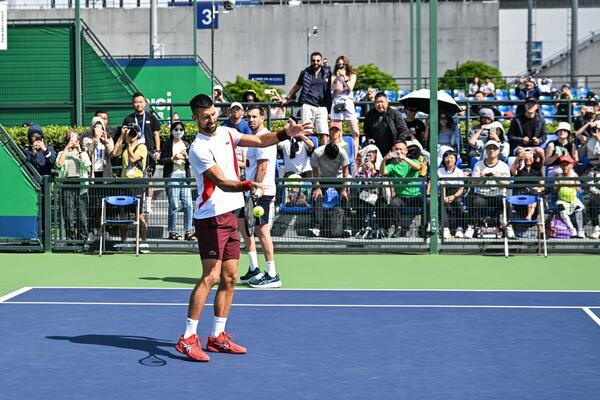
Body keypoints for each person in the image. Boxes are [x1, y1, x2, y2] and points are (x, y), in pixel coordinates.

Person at [175, 94, 310, 362]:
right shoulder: (198, 148)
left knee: (230, 277)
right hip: (211, 218)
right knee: (210, 277)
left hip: (231, 214)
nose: (211, 119)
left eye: (213, 114)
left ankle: (217, 336)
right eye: (205, 116)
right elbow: (223, 182)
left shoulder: (227, 132)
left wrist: (286, 133)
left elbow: (261, 140)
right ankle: (188, 338)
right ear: (195, 118)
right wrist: (247, 185)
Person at [237, 105, 282, 288]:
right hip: (250, 190)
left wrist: (256, 191)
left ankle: (272, 274)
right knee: (243, 225)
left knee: (262, 231)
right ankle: (254, 268)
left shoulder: (265, 138)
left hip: (261, 191)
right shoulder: (254, 139)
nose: (251, 120)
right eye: (248, 117)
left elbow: (263, 167)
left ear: (263, 117)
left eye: (254, 116)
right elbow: (251, 165)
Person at [121, 92, 162, 213]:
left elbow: (156, 134)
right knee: (134, 177)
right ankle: (135, 202)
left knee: (148, 178)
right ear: (132, 104)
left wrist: (157, 150)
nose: (138, 104)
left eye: (140, 101)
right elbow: (124, 136)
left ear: (145, 103)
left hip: (148, 152)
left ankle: (148, 203)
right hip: (133, 152)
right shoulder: (128, 119)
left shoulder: (151, 117)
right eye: (136, 102)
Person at [282, 51, 332, 145]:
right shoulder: (305, 72)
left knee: (324, 132)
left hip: (322, 106)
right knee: (307, 131)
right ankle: (307, 152)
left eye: (318, 60)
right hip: (308, 104)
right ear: (310, 61)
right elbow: (297, 86)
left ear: (321, 61)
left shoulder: (327, 72)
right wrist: (287, 98)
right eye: (313, 60)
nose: (315, 62)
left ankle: (324, 155)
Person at [111, 123, 149, 247]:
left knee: (139, 214)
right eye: (130, 133)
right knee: (123, 214)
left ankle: (142, 242)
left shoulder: (141, 147)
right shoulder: (125, 144)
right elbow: (115, 153)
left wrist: (128, 144)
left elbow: (133, 159)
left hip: (137, 183)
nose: (131, 135)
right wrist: (122, 136)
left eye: (133, 133)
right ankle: (123, 241)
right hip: (124, 182)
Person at [464, 140, 511, 239]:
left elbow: (507, 183)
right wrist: (481, 178)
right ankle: (471, 227)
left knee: (507, 203)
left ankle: (509, 227)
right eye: (489, 148)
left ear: (498, 151)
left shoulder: (504, 165)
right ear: (486, 150)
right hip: (482, 194)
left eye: (494, 148)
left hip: (498, 195)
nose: (492, 150)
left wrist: (497, 178)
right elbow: (473, 183)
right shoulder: (478, 164)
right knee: (475, 202)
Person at [379, 140, 422, 238]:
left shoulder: (413, 160)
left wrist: (405, 158)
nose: (399, 151)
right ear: (392, 151)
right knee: (393, 204)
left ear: (406, 150)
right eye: (396, 149)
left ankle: (424, 226)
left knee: (428, 202)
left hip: (416, 196)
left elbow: (417, 167)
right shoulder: (392, 165)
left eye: (401, 149)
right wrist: (384, 160)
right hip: (401, 197)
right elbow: (383, 172)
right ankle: (397, 228)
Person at [160, 122, 195, 241]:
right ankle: (172, 231)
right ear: (172, 131)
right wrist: (172, 158)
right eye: (176, 129)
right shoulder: (167, 144)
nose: (178, 131)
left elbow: (193, 162)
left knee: (188, 205)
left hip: (184, 177)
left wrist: (187, 157)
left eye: (181, 129)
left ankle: (188, 231)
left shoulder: (186, 144)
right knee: (174, 204)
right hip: (172, 176)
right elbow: (161, 160)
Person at [308, 143, 351, 238]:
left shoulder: (343, 153)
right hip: (322, 178)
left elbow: (345, 172)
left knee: (346, 197)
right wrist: (317, 188)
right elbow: (314, 171)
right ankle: (316, 227)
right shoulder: (317, 153)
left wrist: (344, 190)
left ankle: (347, 227)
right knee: (316, 196)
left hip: (339, 178)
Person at [55, 131, 91, 241]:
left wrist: (79, 150)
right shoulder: (62, 152)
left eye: (76, 139)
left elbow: (87, 164)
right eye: (71, 139)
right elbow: (59, 164)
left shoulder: (83, 153)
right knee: (68, 214)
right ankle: (70, 240)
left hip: (80, 184)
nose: (74, 141)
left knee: (81, 213)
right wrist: (67, 148)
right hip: (66, 184)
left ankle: (82, 238)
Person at [330, 55, 360, 155]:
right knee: (338, 133)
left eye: (343, 65)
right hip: (337, 103)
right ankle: (340, 155)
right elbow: (332, 88)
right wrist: (337, 78)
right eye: (338, 65)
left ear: (346, 65)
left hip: (348, 102)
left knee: (355, 132)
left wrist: (344, 77)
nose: (340, 67)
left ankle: (355, 157)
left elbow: (350, 87)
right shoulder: (334, 76)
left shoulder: (352, 75)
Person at [433, 148, 466, 239]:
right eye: (447, 157)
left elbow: (461, 188)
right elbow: (437, 186)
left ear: (455, 160)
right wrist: (443, 197)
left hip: (455, 194)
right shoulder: (439, 171)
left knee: (459, 203)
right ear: (443, 159)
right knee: (442, 204)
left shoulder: (459, 171)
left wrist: (454, 196)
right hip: (443, 192)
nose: (449, 160)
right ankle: (445, 229)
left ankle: (459, 228)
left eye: (451, 157)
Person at [364, 92, 409, 156]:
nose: (380, 104)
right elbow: (366, 130)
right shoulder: (369, 115)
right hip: (376, 147)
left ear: (387, 102)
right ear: (374, 103)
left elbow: (404, 130)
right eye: (377, 102)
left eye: (382, 102)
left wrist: (398, 143)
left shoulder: (395, 114)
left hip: (393, 146)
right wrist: (369, 138)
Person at [554, 155, 585, 238]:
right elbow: (555, 189)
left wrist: (570, 183)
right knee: (561, 207)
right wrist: (562, 184)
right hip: (562, 199)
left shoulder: (575, 175)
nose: (564, 167)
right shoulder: (558, 176)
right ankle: (572, 229)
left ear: (571, 165)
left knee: (579, 208)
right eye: (562, 164)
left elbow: (578, 189)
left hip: (573, 199)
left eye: (566, 164)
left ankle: (581, 231)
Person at [584, 166, 600, 239]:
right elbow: (589, 184)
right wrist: (598, 192)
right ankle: (596, 228)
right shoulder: (593, 170)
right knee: (592, 201)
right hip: (597, 195)